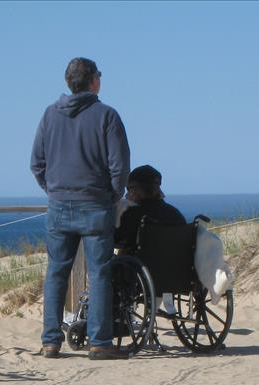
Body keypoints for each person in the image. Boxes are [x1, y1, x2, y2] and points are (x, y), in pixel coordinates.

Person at [31, 57, 130, 360]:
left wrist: (55, 190)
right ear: (93, 81)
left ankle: (51, 341)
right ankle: (99, 342)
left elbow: (37, 164)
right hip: (95, 204)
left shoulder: (50, 114)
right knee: (99, 273)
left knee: (56, 272)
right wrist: (112, 196)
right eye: (99, 75)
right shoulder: (107, 115)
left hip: (59, 205)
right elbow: (120, 166)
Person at [114, 164, 186, 254]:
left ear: (134, 189)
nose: (127, 195)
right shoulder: (176, 215)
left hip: (140, 262)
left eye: (129, 189)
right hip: (175, 262)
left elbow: (114, 239)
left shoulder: (132, 214)